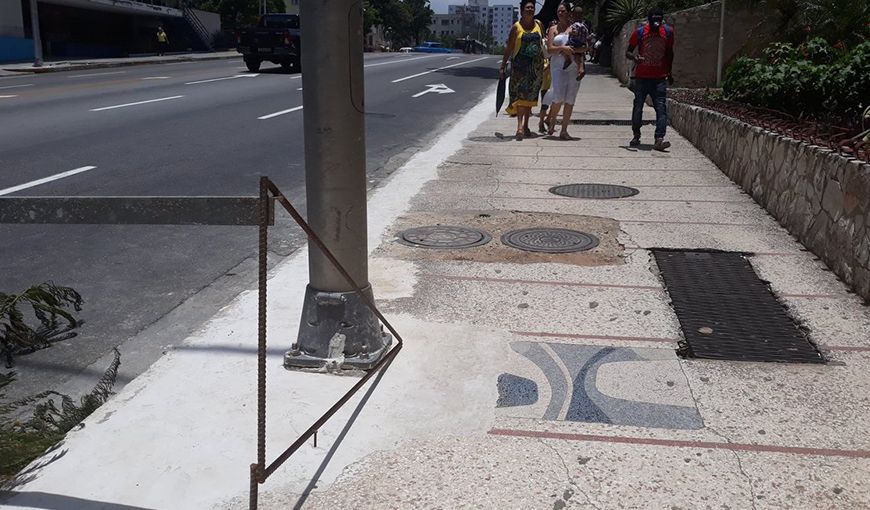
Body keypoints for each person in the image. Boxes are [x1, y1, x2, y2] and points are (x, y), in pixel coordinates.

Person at [625, 7, 675, 151]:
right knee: (638, 107)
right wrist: (635, 57)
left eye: (658, 21)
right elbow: (628, 51)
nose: (656, 25)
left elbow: (670, 53)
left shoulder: (668, 32)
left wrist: (669, 73)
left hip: (659, 78)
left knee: (661, 108)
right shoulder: (640, 32)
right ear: (649, 20)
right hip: (642, 77)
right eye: (654, 21)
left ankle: (659, 138)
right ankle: (636, 135)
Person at [500, 0, 546, 141]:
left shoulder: (539, 25)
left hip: (535, 68)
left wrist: (546, 61)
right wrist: (503, 65)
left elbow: (542, 44)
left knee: (530, 98)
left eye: (532, 7)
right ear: (521, 11)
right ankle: (519, 127)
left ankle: (526, 125)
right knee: (520, 97)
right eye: (527, 8)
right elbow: (509, 48)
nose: (530, 10)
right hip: (519, 68)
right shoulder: (516, 27)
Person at [544, 1, 582, 140]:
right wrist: (563, 49)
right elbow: (549, 49)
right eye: (559, 11)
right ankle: (551, 118)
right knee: (558, 96)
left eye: (563, 11)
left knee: (570, 98)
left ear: (568, 12)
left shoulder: (576, 28)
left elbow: (584, 47)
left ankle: (564, 130)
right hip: (558, 66)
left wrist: (573, 50)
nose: (560, 13)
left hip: (573, 66)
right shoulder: (553, 29)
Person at [563, 6, 589, 81]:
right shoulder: (584, 25)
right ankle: (581, 69)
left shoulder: (575, 24)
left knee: (564, 48)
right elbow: (586, 34)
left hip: (574, 41)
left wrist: (569, 32)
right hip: (581, 42)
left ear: (573, 14)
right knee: (579, 56)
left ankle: (567, 59)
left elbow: (574, 31)